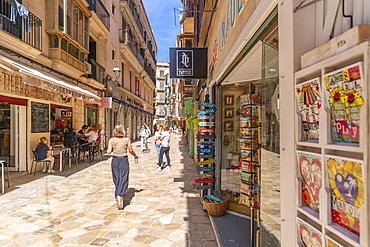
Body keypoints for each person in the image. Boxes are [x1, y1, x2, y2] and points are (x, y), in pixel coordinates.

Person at [107, 125, 140, 209]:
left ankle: (118, 195)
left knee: (117, 178)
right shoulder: (127, 140)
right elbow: (131, 150)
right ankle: (120, 195)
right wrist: (135, 155)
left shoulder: (111, 140)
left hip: (115, 160)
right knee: (124, 178)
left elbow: (108, 151)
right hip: (123, 160)